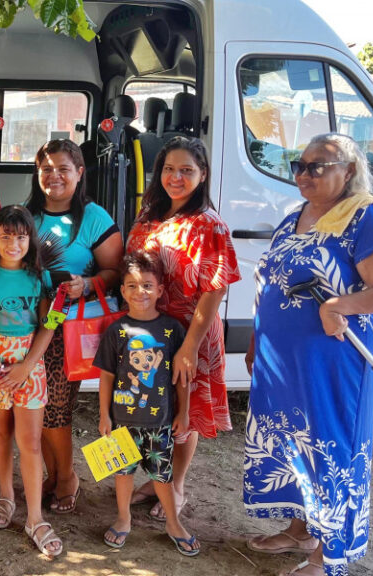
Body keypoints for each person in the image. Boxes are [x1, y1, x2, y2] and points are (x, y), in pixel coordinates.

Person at [243, 133, 373, 576]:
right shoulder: (293, 217)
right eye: (298, 165)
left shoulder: (362, 217)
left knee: (330, 449)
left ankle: (328, 555)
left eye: (317, 166)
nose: (303, 174)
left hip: (333, 362)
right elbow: (271, 284)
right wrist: (256, 341)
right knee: (293, 444)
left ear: (349, 171)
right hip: (284, 362)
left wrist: (339, 305)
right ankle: (301, 528)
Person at [0, 138, 122, 513]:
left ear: (79, 173)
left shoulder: (94, 218)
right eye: (46, 169)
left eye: (63, 169)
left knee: (56, 409)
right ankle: (50, 478)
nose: (54, 176)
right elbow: (1, 251)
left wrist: (87, 284)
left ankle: (65, 476)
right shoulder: (24, 216)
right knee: (34, 413)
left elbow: (116, 272)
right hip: (23, 330)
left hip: (65, 328)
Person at [124, 136, 240, 521]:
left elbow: (214, 290)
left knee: (182, 413)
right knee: (151, 407)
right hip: (148, 333)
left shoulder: (210, 225)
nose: (176, 177)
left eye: (186, 170)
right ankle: (156, 478)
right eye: (169, 169)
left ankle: (176, 485)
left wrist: (190, 346)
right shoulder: (148, 216)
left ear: (202, 175)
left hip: (190, 334)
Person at [0, 205, 62, 557]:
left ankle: (35, 517)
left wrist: (25, 366)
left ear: (29, 241)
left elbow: (48, 325)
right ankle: (6, 495)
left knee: (31, 443)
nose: (12, 243)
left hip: (29, 364)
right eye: (5, 236)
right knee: (0, 432)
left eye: (20, 237)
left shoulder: (38, 278)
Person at [93, 251, 200, 557]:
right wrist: (104, 416)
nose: (140, 292)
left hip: (160, 423)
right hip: (122, 423)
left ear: (160, 290)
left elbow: (182, 379)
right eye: (132, 286)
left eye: (148, 286)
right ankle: (123, 518)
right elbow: (106, 378)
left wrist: (183, 412)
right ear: (123, 291)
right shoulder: (116, 331)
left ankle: (173, 523)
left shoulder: (173, 330)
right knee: (123, 474)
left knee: (162, 476)